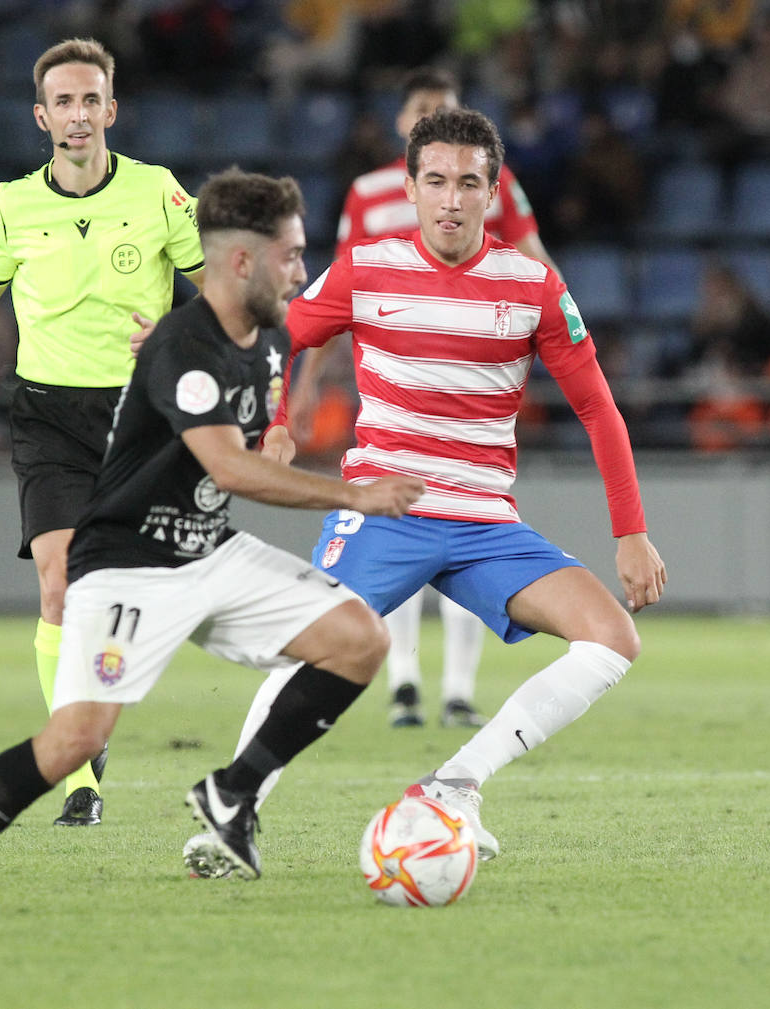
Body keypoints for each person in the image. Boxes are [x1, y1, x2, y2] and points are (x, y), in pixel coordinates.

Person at [0, 169, 426, 916]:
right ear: (240, 261)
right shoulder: (186, 343)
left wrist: (280, 427)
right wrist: (354, 493)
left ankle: (233, 791)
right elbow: (230, 466)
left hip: (208, 549)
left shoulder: (265, 332)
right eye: (290, 255)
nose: (301, 269)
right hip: (128, 565)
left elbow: (247, 434)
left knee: (359, 638)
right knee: (72, 741)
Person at [185, 108, 666, 876]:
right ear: (409, 188)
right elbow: (277, 332)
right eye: (435, 181)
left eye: (468, 183)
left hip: (484, 522)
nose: (451, 199)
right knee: (314, 645)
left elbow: (597, 406)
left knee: (612, 637)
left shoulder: (533, 285)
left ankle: (456, 785)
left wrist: (631, 530)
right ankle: (234, 809)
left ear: (491, 192)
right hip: (387, 511)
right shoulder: (367, 269)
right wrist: (275, 416)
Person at [0, 38, 206, 827]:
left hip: (142, 418)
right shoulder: (13, 206)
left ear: (111, 110)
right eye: (64, 101)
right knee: (59, 585)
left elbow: (217, 295)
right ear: (42, 116)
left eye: (91, 100)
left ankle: (91, 726)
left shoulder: (162, 194)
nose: (79, 114)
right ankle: (77, 778)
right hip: (50, 414)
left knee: (116, 597)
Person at [294, 66, 561, 732]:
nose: (429, 115)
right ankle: (407, 682)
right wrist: (306, 381)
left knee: (469, 532)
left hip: (472, 384)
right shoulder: (368, 193)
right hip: (396, 385)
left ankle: (459, 689)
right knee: (403, 529)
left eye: (441, 107)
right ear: (401, 122)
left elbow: (533, 258)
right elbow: (334, 294)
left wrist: (559, 325)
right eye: (420, 107)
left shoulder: (489, 185)